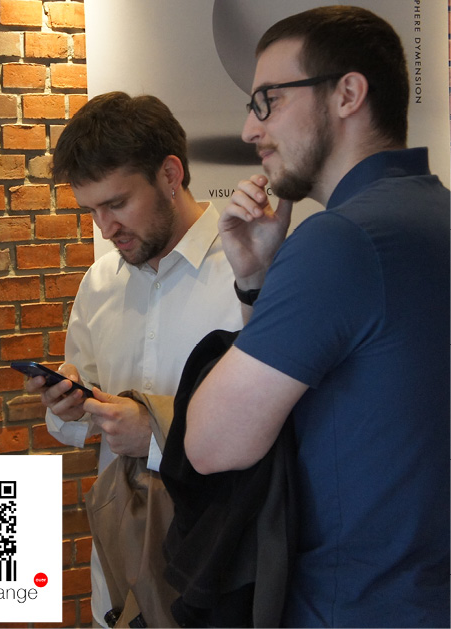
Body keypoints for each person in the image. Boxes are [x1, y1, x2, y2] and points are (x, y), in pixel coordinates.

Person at [184, 6, 450, 627]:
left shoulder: (341, 240)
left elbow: (213, 444)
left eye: (267, 101)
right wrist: (256, 279)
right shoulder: (433, 214)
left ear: (347, 95)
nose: (249, 130)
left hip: (356, 604)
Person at [29, 92, 244, 626]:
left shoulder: (248, 273)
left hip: (223, 566)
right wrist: (70, 404)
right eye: (92, 211)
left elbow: (283, 436)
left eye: (117, 204)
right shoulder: (100, 282)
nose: (105, 228)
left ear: (170, 174)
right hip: (122, 570)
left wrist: (155, 434)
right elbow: (75, 421)